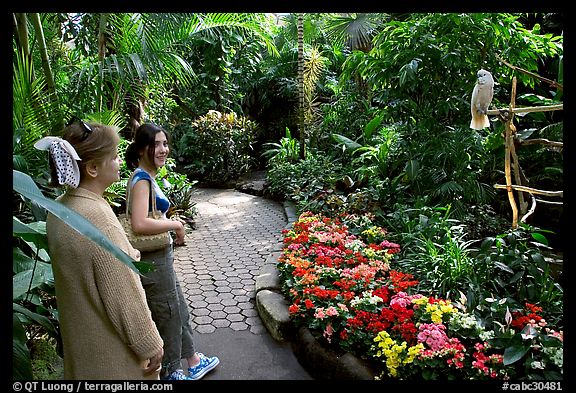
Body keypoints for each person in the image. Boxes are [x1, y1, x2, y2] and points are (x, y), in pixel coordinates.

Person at [38, 119, 164, 379]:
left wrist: (126, 252)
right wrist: (150, 344)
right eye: (115, 157)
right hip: (113, 359)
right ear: (93, 168)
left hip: (82, 350)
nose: (120, 162)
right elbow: (123, 294)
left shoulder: (60, 209)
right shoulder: (98, 219)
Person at [124, 123, 219, 381]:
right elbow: (140, 223)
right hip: (153, 260)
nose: (163, 149)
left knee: (178, 309)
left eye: (165, 144)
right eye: (156, 144)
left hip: (161, 257)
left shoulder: (147, 177)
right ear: (142, 149)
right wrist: (176, 224)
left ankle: (193, 360)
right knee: (166, 313)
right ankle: (171, 372)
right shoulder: (141, 180)